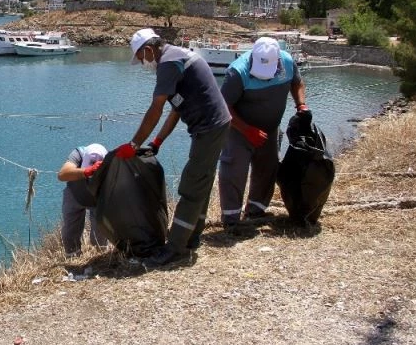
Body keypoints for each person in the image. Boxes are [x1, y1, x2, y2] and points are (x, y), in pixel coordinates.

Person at [115, 29, 231, 268]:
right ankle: (192, 236)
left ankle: (176, 249)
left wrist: (134, 144)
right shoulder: (176, 56)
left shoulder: (168, 63)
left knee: (191, 186)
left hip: (209, 128)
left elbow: (156, 108)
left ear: (149, 49)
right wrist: (157, 142)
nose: (143, 63)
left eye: (141, 57)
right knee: (202, 183)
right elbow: (177, 109)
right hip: (214, 125)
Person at [217, 36, 309, 234]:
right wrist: (247, 130)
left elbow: (297, 83)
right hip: (238, 131)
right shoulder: (237, 72)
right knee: (234, 171)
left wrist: (301, 104)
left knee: (268, 168)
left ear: (278, 61)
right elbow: (223, 107)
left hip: (270, 129)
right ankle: (231, 220)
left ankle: (256, 211)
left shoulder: (287, 62)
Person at [57, 143, 109, 257]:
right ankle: (72, 255)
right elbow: (62, 175)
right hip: (75, 194)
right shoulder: (78, 154)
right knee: (70, 233)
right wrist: (87, 171)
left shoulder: (110, 160)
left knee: (99, 236)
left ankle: (103, 258)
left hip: (97, 200)